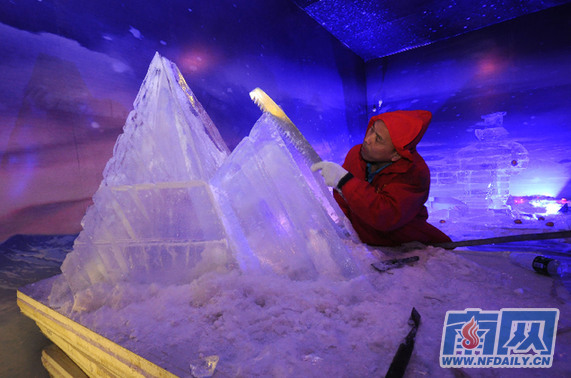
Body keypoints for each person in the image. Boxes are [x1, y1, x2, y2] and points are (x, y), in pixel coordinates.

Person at [311, 110, 451, 247]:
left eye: (378, 139)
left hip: (400, 242)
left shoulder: (414, 174)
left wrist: (345, 181)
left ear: (396, 155)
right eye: (371, 129)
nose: (367, 139)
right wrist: (345, 226)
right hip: (363, 236)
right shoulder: (356, 154)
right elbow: (342, 197)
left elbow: (386, 215)